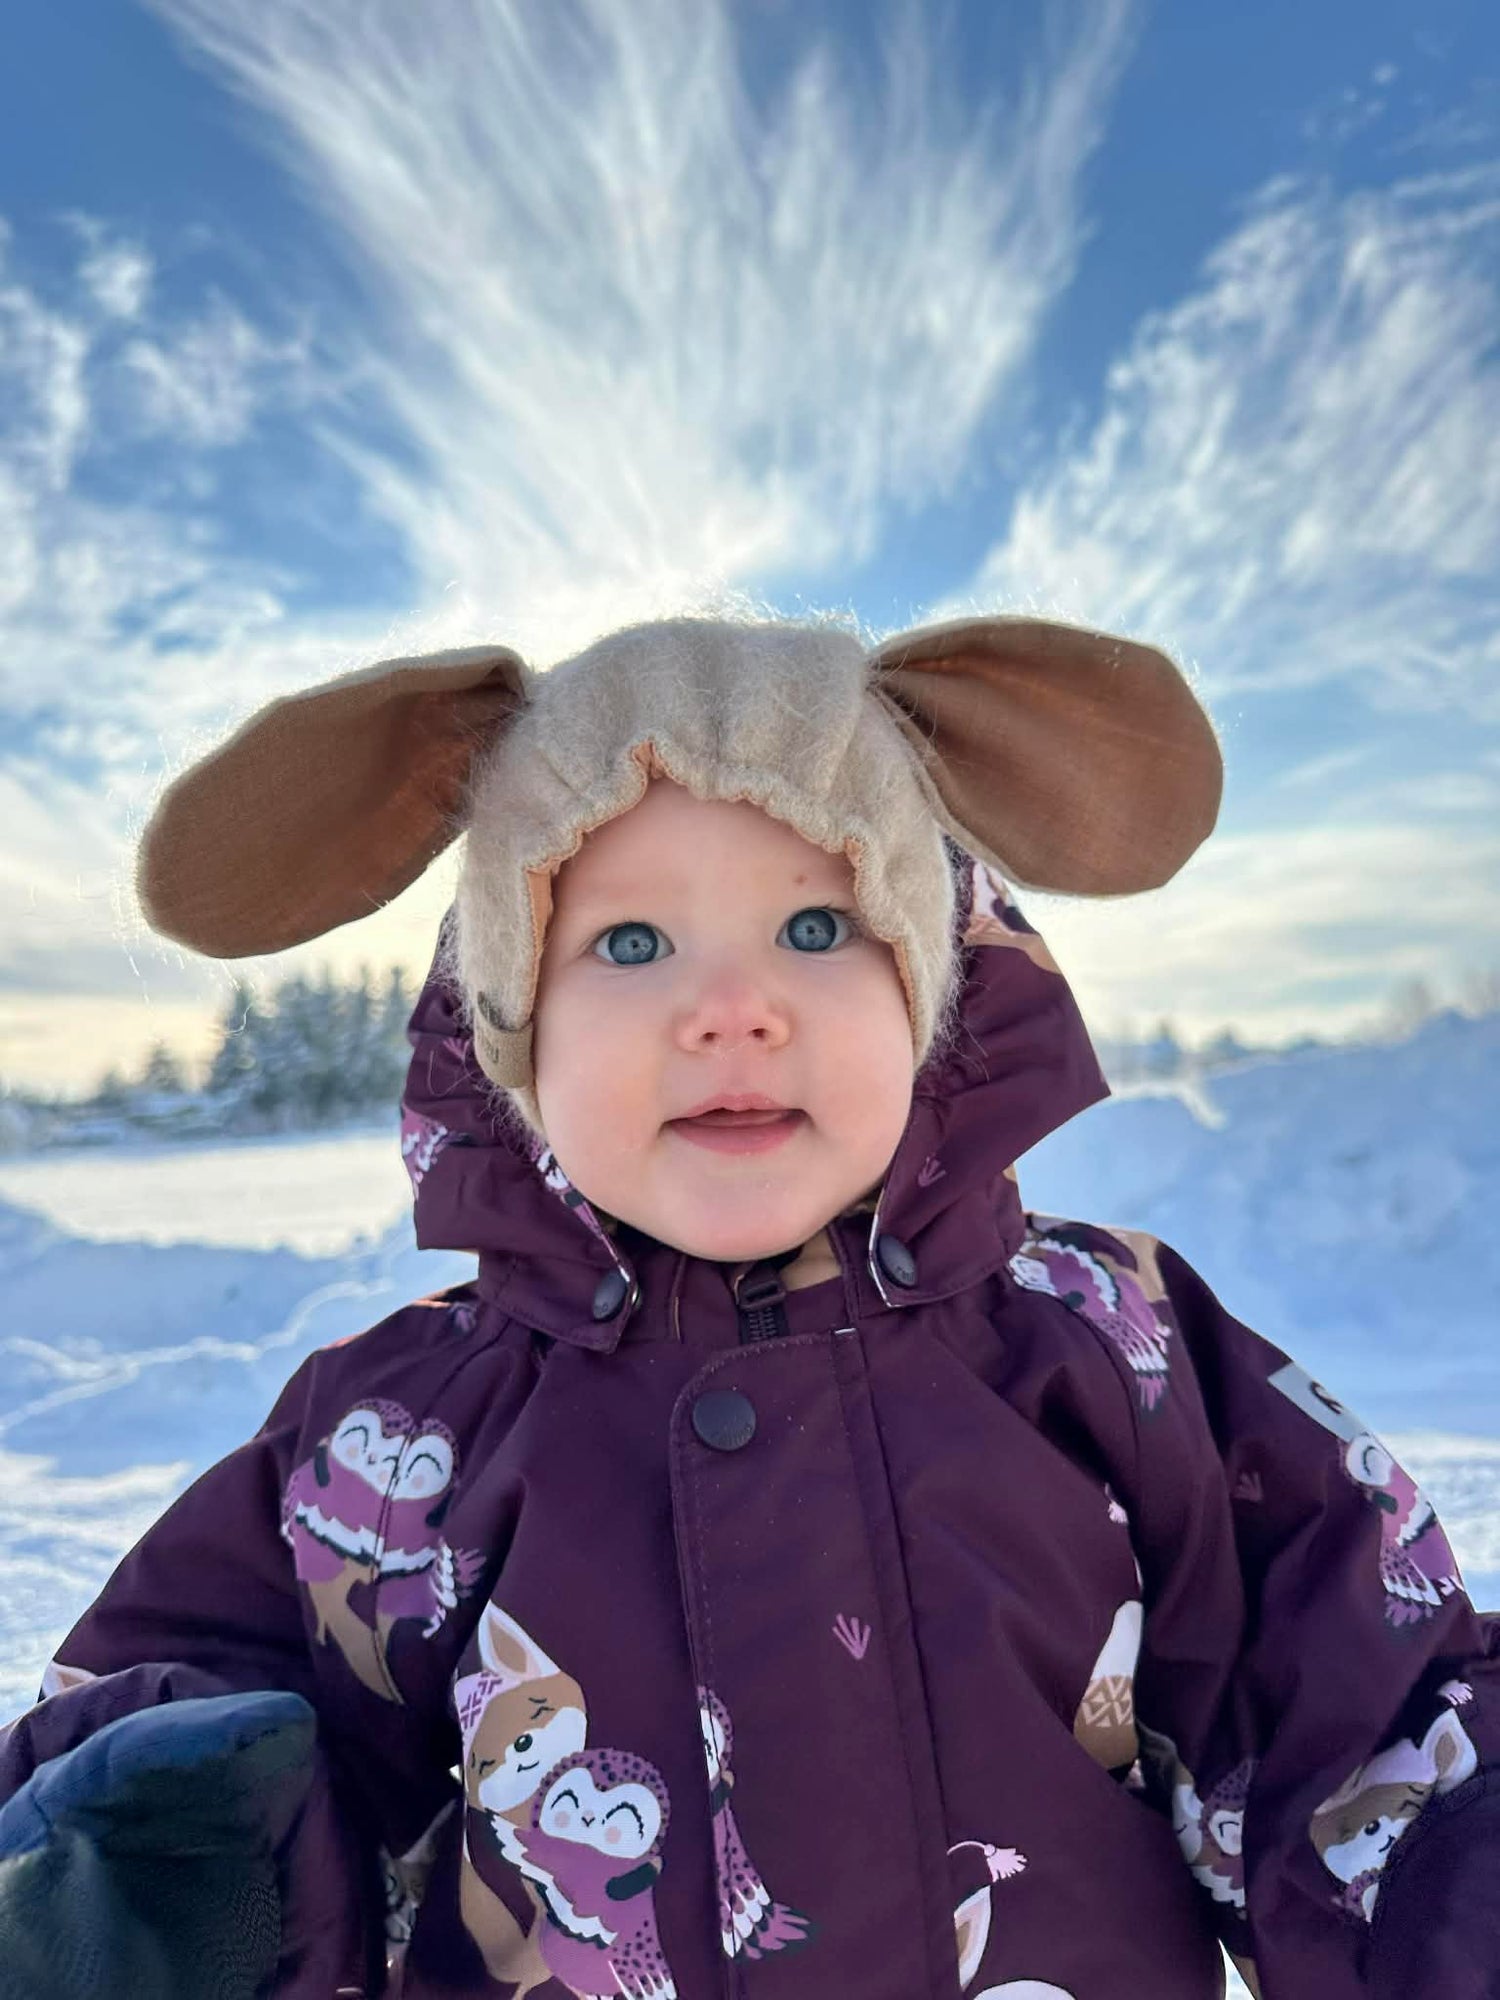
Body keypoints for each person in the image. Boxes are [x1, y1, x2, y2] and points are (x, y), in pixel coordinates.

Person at [0, 613, 1494, 2000]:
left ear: (935, 989)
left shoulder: (1114, 1348)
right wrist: (151, 1881)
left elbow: (1353, 1701)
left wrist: (1457, 1876)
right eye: (630, 944)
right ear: (513, 1033)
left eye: (820, 927)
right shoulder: (401, 1433)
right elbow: (229, 1725)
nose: (730, 1007)